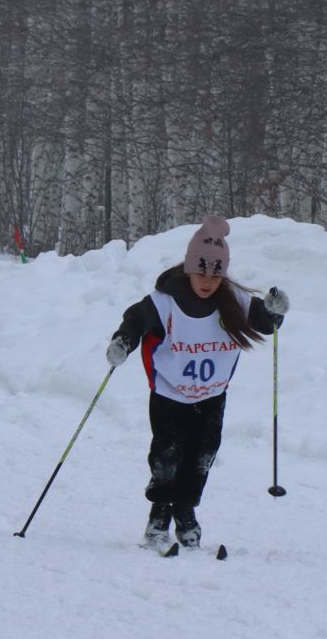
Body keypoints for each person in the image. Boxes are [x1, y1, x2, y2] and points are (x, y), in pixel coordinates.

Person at [105, 215, 289, 550]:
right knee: (167, 457)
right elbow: (135, 320)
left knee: (201, 456)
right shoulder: (165, 301)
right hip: (170, 393)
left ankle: (185, 512)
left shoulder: (233, 300)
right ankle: (159, 516)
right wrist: (122, 343)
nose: (207, 281)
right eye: (201, 271)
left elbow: (265, 322)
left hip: (212, 395)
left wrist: (276, 310)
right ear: (189, 268)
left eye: (215, 273)